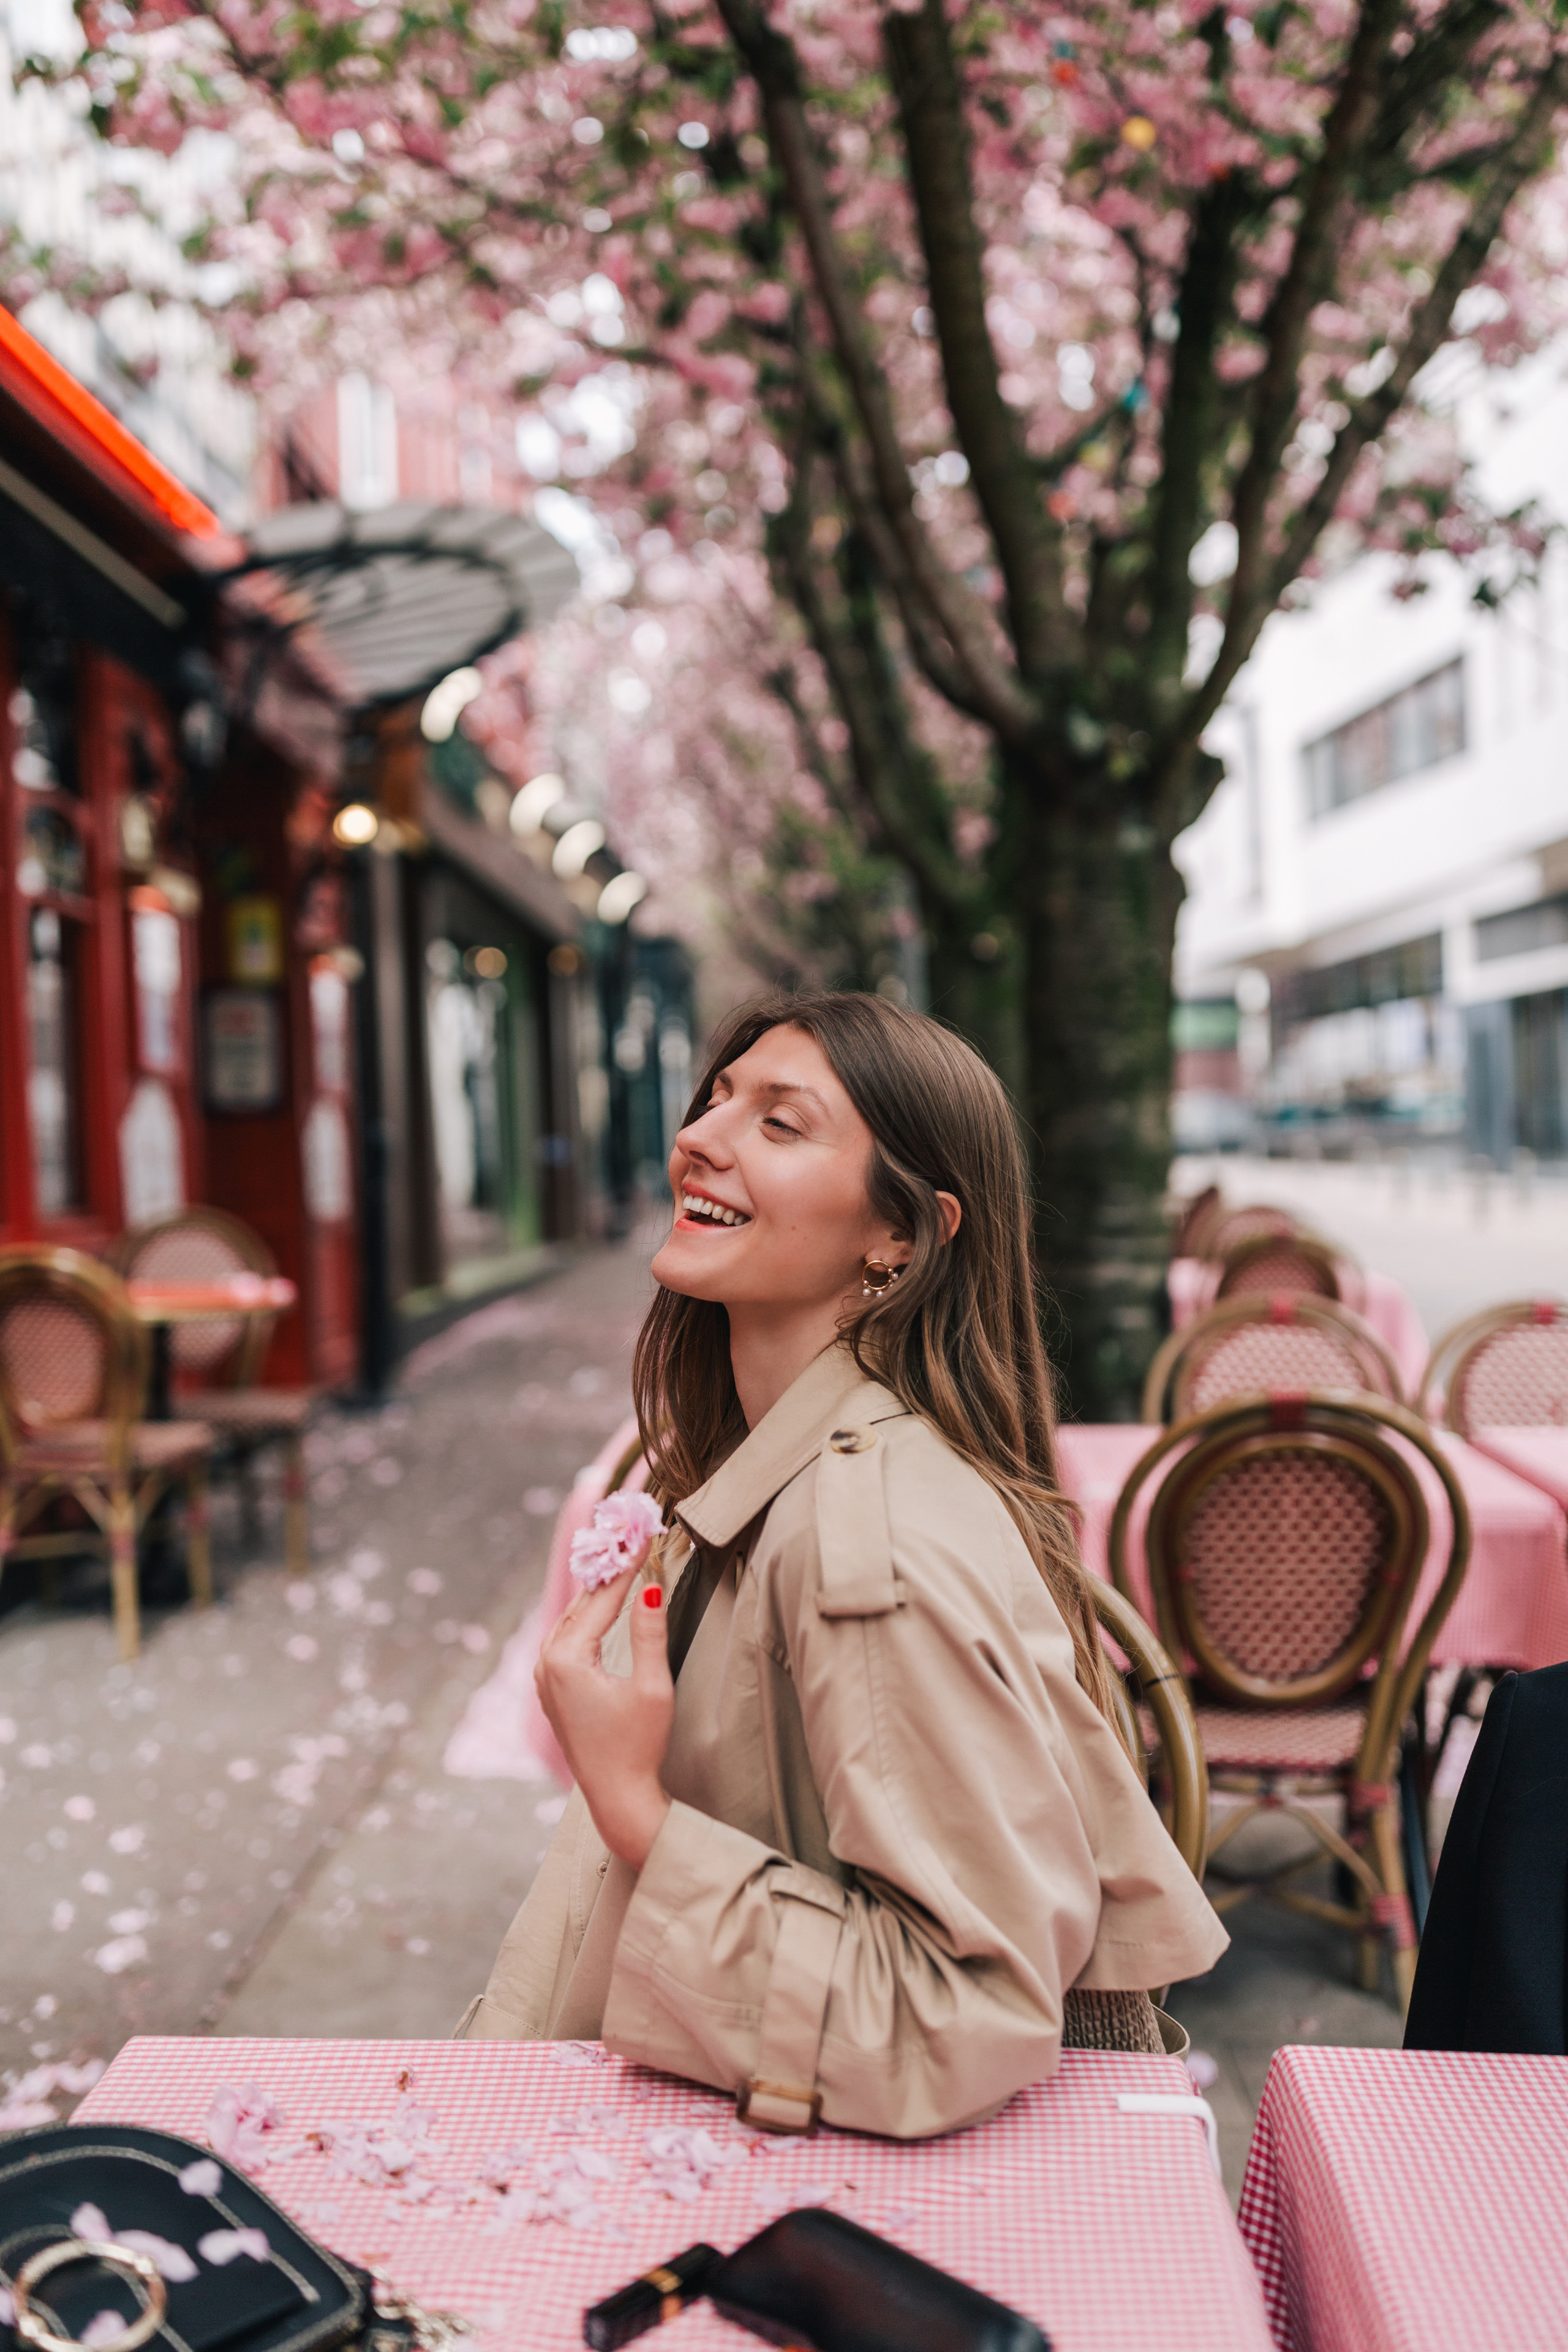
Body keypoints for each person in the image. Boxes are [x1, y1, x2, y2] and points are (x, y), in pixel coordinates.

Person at [458, 992, 1226, 2136]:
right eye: (717, 1101)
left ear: (902, 1236)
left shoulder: (865, 1540)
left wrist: (632, 1805)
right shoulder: (767, 1468)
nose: (699, 1138)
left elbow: (954, 2016)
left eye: (780, 1123)